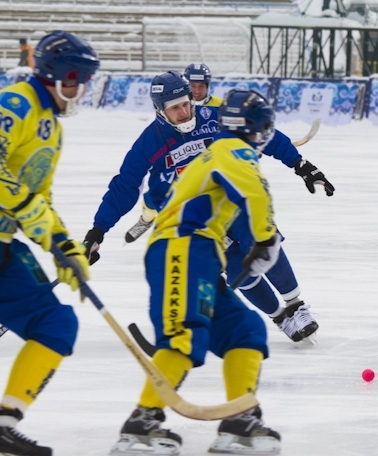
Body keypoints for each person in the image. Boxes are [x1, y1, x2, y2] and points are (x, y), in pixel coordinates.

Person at [83, 70, 333, 342]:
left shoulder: (215, 119)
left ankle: (296, 305)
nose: (183, 112)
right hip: (197, 219)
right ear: (159, 111)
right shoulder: (150, 142)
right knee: (238, 268)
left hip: (232, 202)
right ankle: (281, 317)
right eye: (174, 108)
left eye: (186, 103)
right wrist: (98, 231)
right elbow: (125, 185)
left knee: (262, 240)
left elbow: (263, 133)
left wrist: (301, 166)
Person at [111, 88, 282, 456]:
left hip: (200, 254)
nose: (266, 134)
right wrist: (267, 240)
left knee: (244, 331)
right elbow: (254, 191)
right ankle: (142, 422)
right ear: (250, 128)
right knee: (184, 335)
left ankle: (240, 416)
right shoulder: (230, 149)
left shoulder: (221, 149)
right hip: (182, 248)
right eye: (264, 127)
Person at [0, 30, 98, 456]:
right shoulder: (15, 103)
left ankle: (4, 421)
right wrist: (26, 208)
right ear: (61, 75)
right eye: (82, 79)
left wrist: (65, 246)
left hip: (3, 245)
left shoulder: (52, 130)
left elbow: (40, 200)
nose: (85, 89)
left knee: (57, 322)